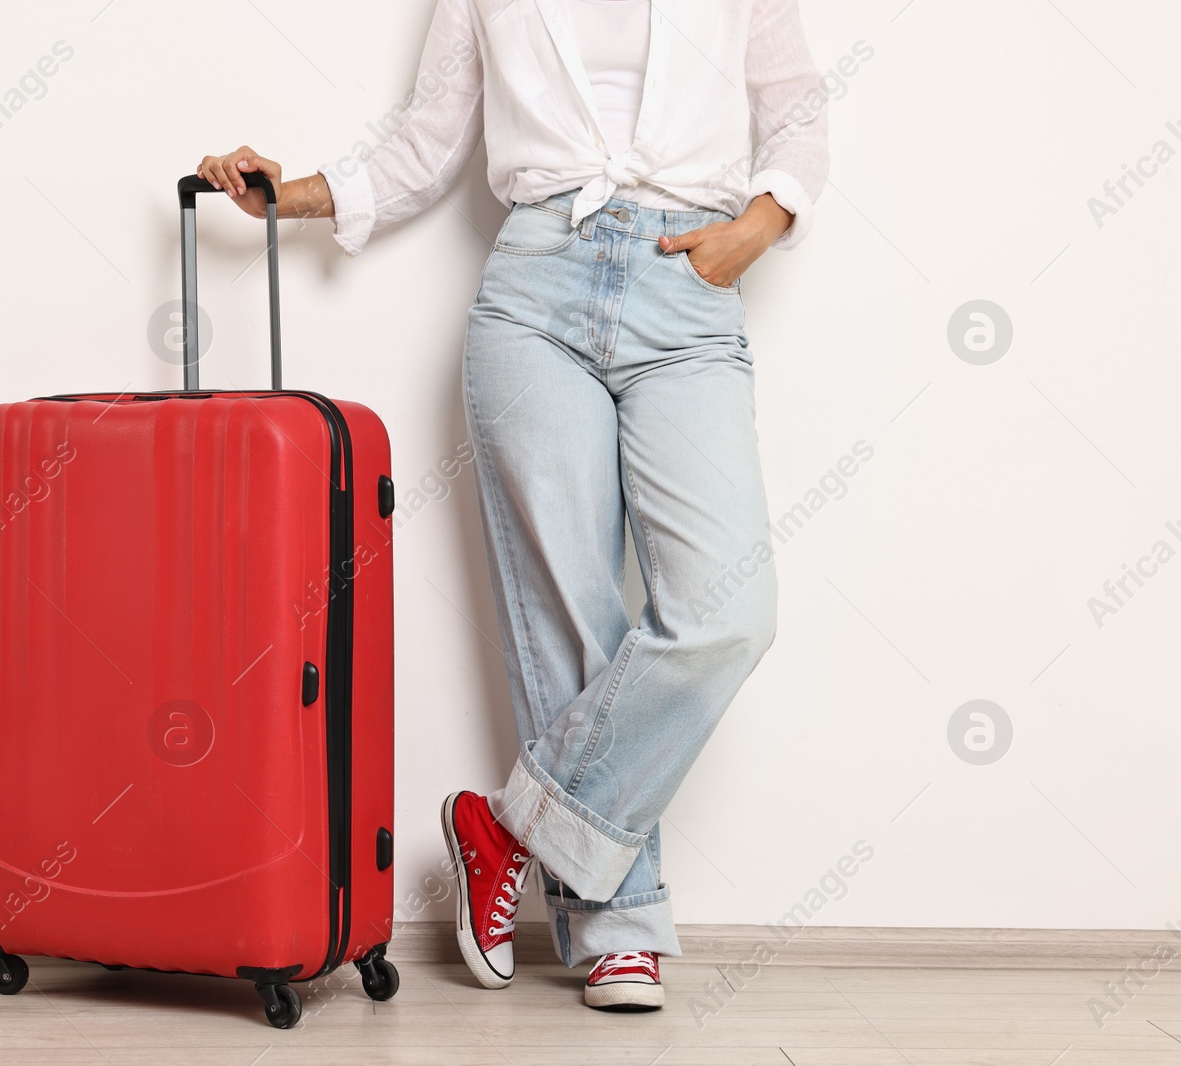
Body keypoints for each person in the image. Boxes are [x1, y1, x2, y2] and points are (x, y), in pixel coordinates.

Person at [199, 0, 827, 1012]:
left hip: (690, 290)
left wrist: (752, 231)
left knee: (727, 610)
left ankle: (505, 829)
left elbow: (796, 109)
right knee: (573, 612)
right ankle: (618, 929)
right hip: (535, 294)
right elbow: (427, 139)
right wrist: (294, 195)